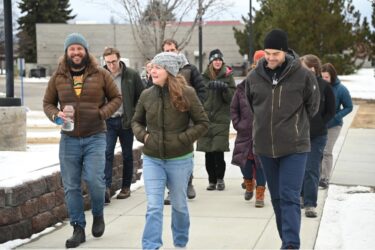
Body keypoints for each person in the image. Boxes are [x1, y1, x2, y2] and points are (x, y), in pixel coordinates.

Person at [43, 33, 122, 248]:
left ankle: (98, 214)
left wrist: (102, 113)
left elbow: (117, 98)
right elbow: (48, 103)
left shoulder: (100, 74)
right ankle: (78, 228)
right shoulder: (58, 76)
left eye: (80, 49)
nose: (76, 52)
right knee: (71, 186)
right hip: (68, 139)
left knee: (96, 182)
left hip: (95, 135)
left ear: (86, 51)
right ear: (67, 52)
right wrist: (55, 115)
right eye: (72, 49)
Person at [246, 29, 320, 249]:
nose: (270, 58)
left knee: (288, 197)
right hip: (265, 148)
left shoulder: (303, 75)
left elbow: (312, 107)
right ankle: (286, 240)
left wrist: (294, 126)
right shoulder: (253, 78)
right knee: (277, 199)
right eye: (267, 53)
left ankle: (291, 245)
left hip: (295, 147)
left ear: (285, 52)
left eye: (275, 53)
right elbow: (253, 107)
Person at [131, 52, 209, 249]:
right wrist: (145, 137)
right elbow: (136, 121)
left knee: (180, 207)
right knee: (154, 207)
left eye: (157, 67)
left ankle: (180, 243)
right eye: (152, 67)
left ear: (170, 70)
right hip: (152, 159)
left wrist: (183, 139)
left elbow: (202, 123)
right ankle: (151, 246)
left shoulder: (187, 93)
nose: (152, 70)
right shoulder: (146, 94)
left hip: (180, 159)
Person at [161, 38, 207, 203]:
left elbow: (201, 91)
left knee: (186, 154)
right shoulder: (159, 70)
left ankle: (188, 183)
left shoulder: (189, 69)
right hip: (165, 121)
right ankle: (172, 190)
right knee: (167, 156)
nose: (169, 53)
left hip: (186, 121)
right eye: (166, 50)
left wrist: (193, 110)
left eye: (172, 50)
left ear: (177, 50)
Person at [102, 47, 144, 203]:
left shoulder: (131, 75)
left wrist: (135, 114)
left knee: (127, 154)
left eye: (114, 61)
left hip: (126, 120)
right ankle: (105, 187)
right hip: (108, 121)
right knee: (107, 153)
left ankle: (126, 187)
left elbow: (142, 96)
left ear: (119, 58)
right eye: (108, 62)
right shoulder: (101, 75)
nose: (111, 65)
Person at [300, 55, 336, 218]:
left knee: (312, 168)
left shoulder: (324, 86)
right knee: (298, 168)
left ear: (314, 68)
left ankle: (309, 204)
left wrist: (321, 123)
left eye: (305, 67)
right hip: (298, 134)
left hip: (317, 135)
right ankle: (300, 197)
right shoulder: (296, 85)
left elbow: (331, 110)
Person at [231, 50, 267, 207]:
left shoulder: (268, 89)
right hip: (245, 133)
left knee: (261, 166)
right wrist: (238, 124)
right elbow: (234, 109)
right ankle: (248, 183)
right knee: (245, 164)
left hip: (262, 134)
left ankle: (260, 195)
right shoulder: (240, 90)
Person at [197, 49, 236, 191]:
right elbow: (199, 97)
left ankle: (220, 179)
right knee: (208, 152)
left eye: (219, 59)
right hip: (206, 119)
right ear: (211, 62)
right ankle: (211, 180)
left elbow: (232, 99)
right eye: (215, 59)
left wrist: (225, 89)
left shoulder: (228, 76)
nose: (217, 62)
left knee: (218, 151)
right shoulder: (203, 77)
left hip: (221, 119)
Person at [320, 63, 353, 189]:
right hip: (320, 125)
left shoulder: (341, 89)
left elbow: (349, 107)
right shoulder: (319, 86)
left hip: (334, 126)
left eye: (326, 77)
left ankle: (325, 178)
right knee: (318, 152)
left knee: (327, 151)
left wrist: (336, 117)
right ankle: (316, 176)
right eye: (322, 77)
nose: (324, 80)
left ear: (332, 76)